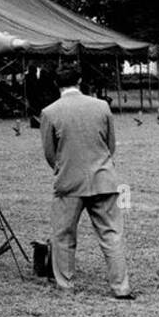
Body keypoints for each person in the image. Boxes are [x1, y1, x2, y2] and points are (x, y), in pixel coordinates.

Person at [40, 65, 134, 299]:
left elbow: (50, 153)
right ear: (80, 80)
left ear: (55, 84)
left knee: (63, 236)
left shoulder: (49, 112)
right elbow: (110, 145)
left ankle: (65, 286)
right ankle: (121, 288)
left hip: (69, 183)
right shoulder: (102, 106)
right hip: (104, 179)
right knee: (112, 235)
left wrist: (64, 169)